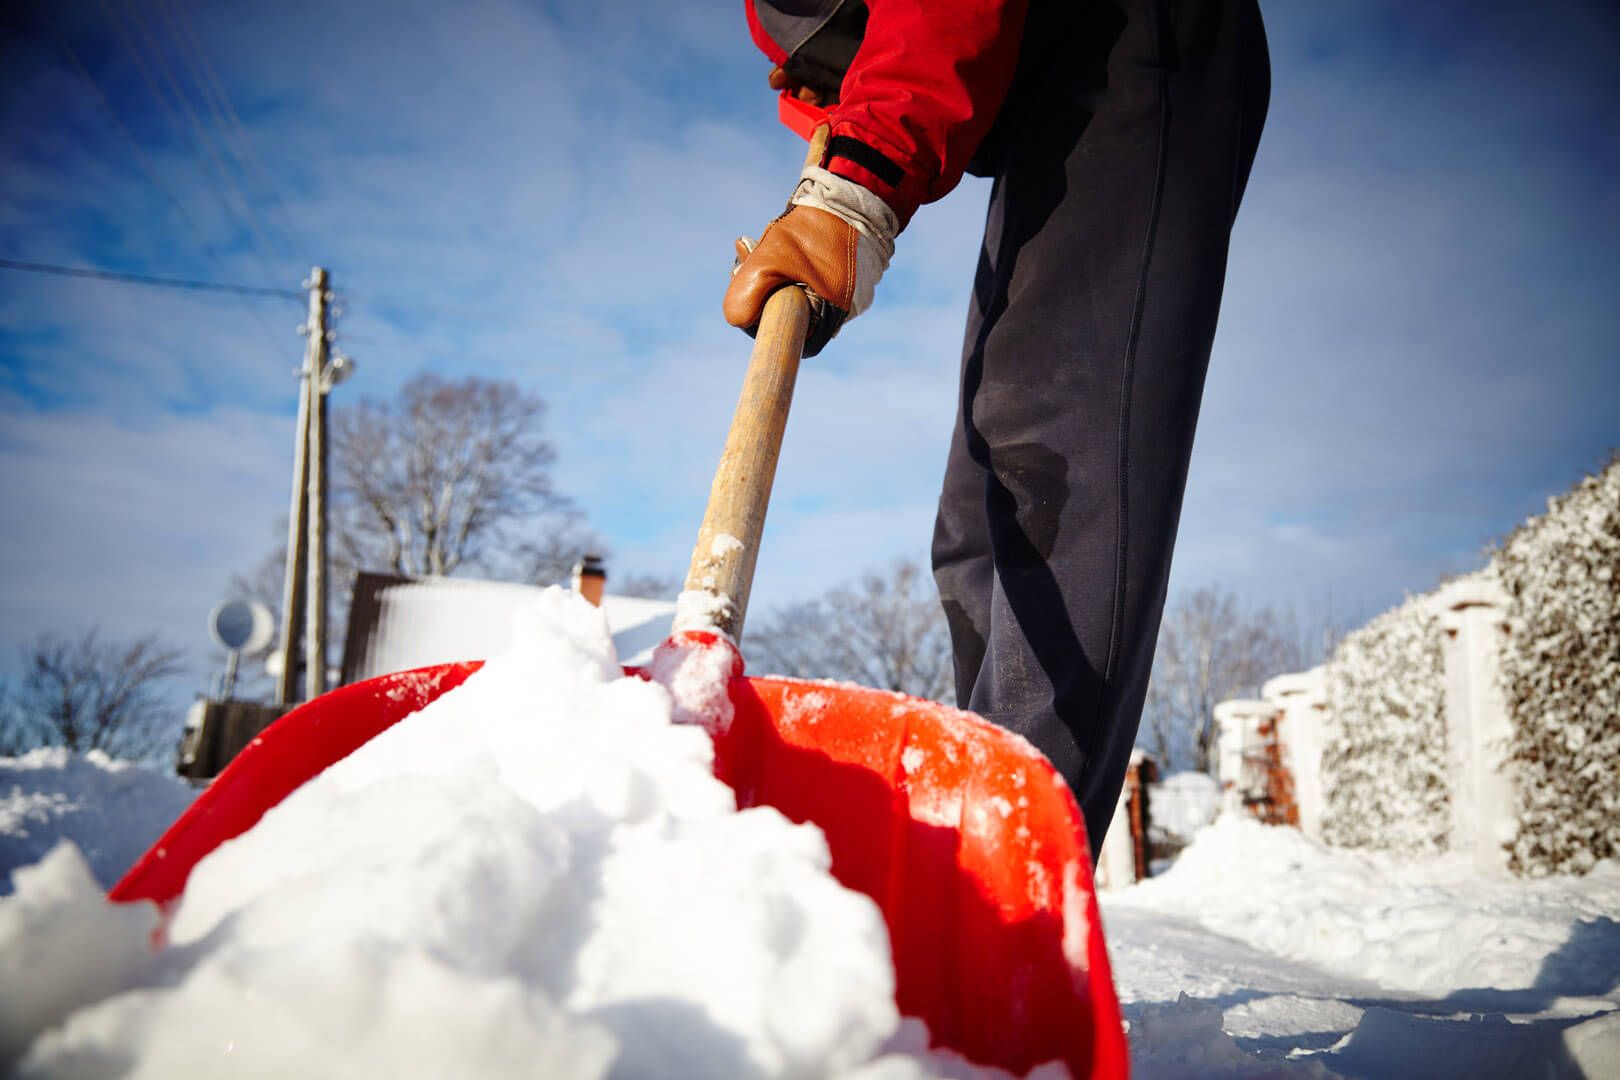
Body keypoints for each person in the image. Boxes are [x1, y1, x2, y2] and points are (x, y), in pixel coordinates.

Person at [724, 0, 1270, 856]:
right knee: (974, 524)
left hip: (1135, 36)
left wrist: (856, 190)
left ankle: (1007, 870)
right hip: (1040, 101)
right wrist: (831, 175)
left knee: (1052, 459)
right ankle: (978, 841)